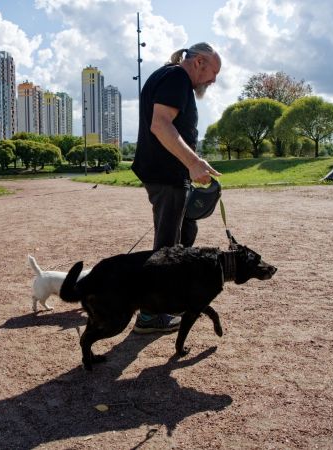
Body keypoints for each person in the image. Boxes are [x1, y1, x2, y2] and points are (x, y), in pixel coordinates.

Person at [131, 42, 222, 333]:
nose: (213, 80)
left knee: (186, 233)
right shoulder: (176, 78)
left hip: (169, 173)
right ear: (199, 62)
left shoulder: (170, 76)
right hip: (166, 175)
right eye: (213, 71)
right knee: (167, 248)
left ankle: (168, 300)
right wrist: (192, 163)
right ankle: (149, 315)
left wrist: (195, 160)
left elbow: (172, 129)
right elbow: (160, 125)